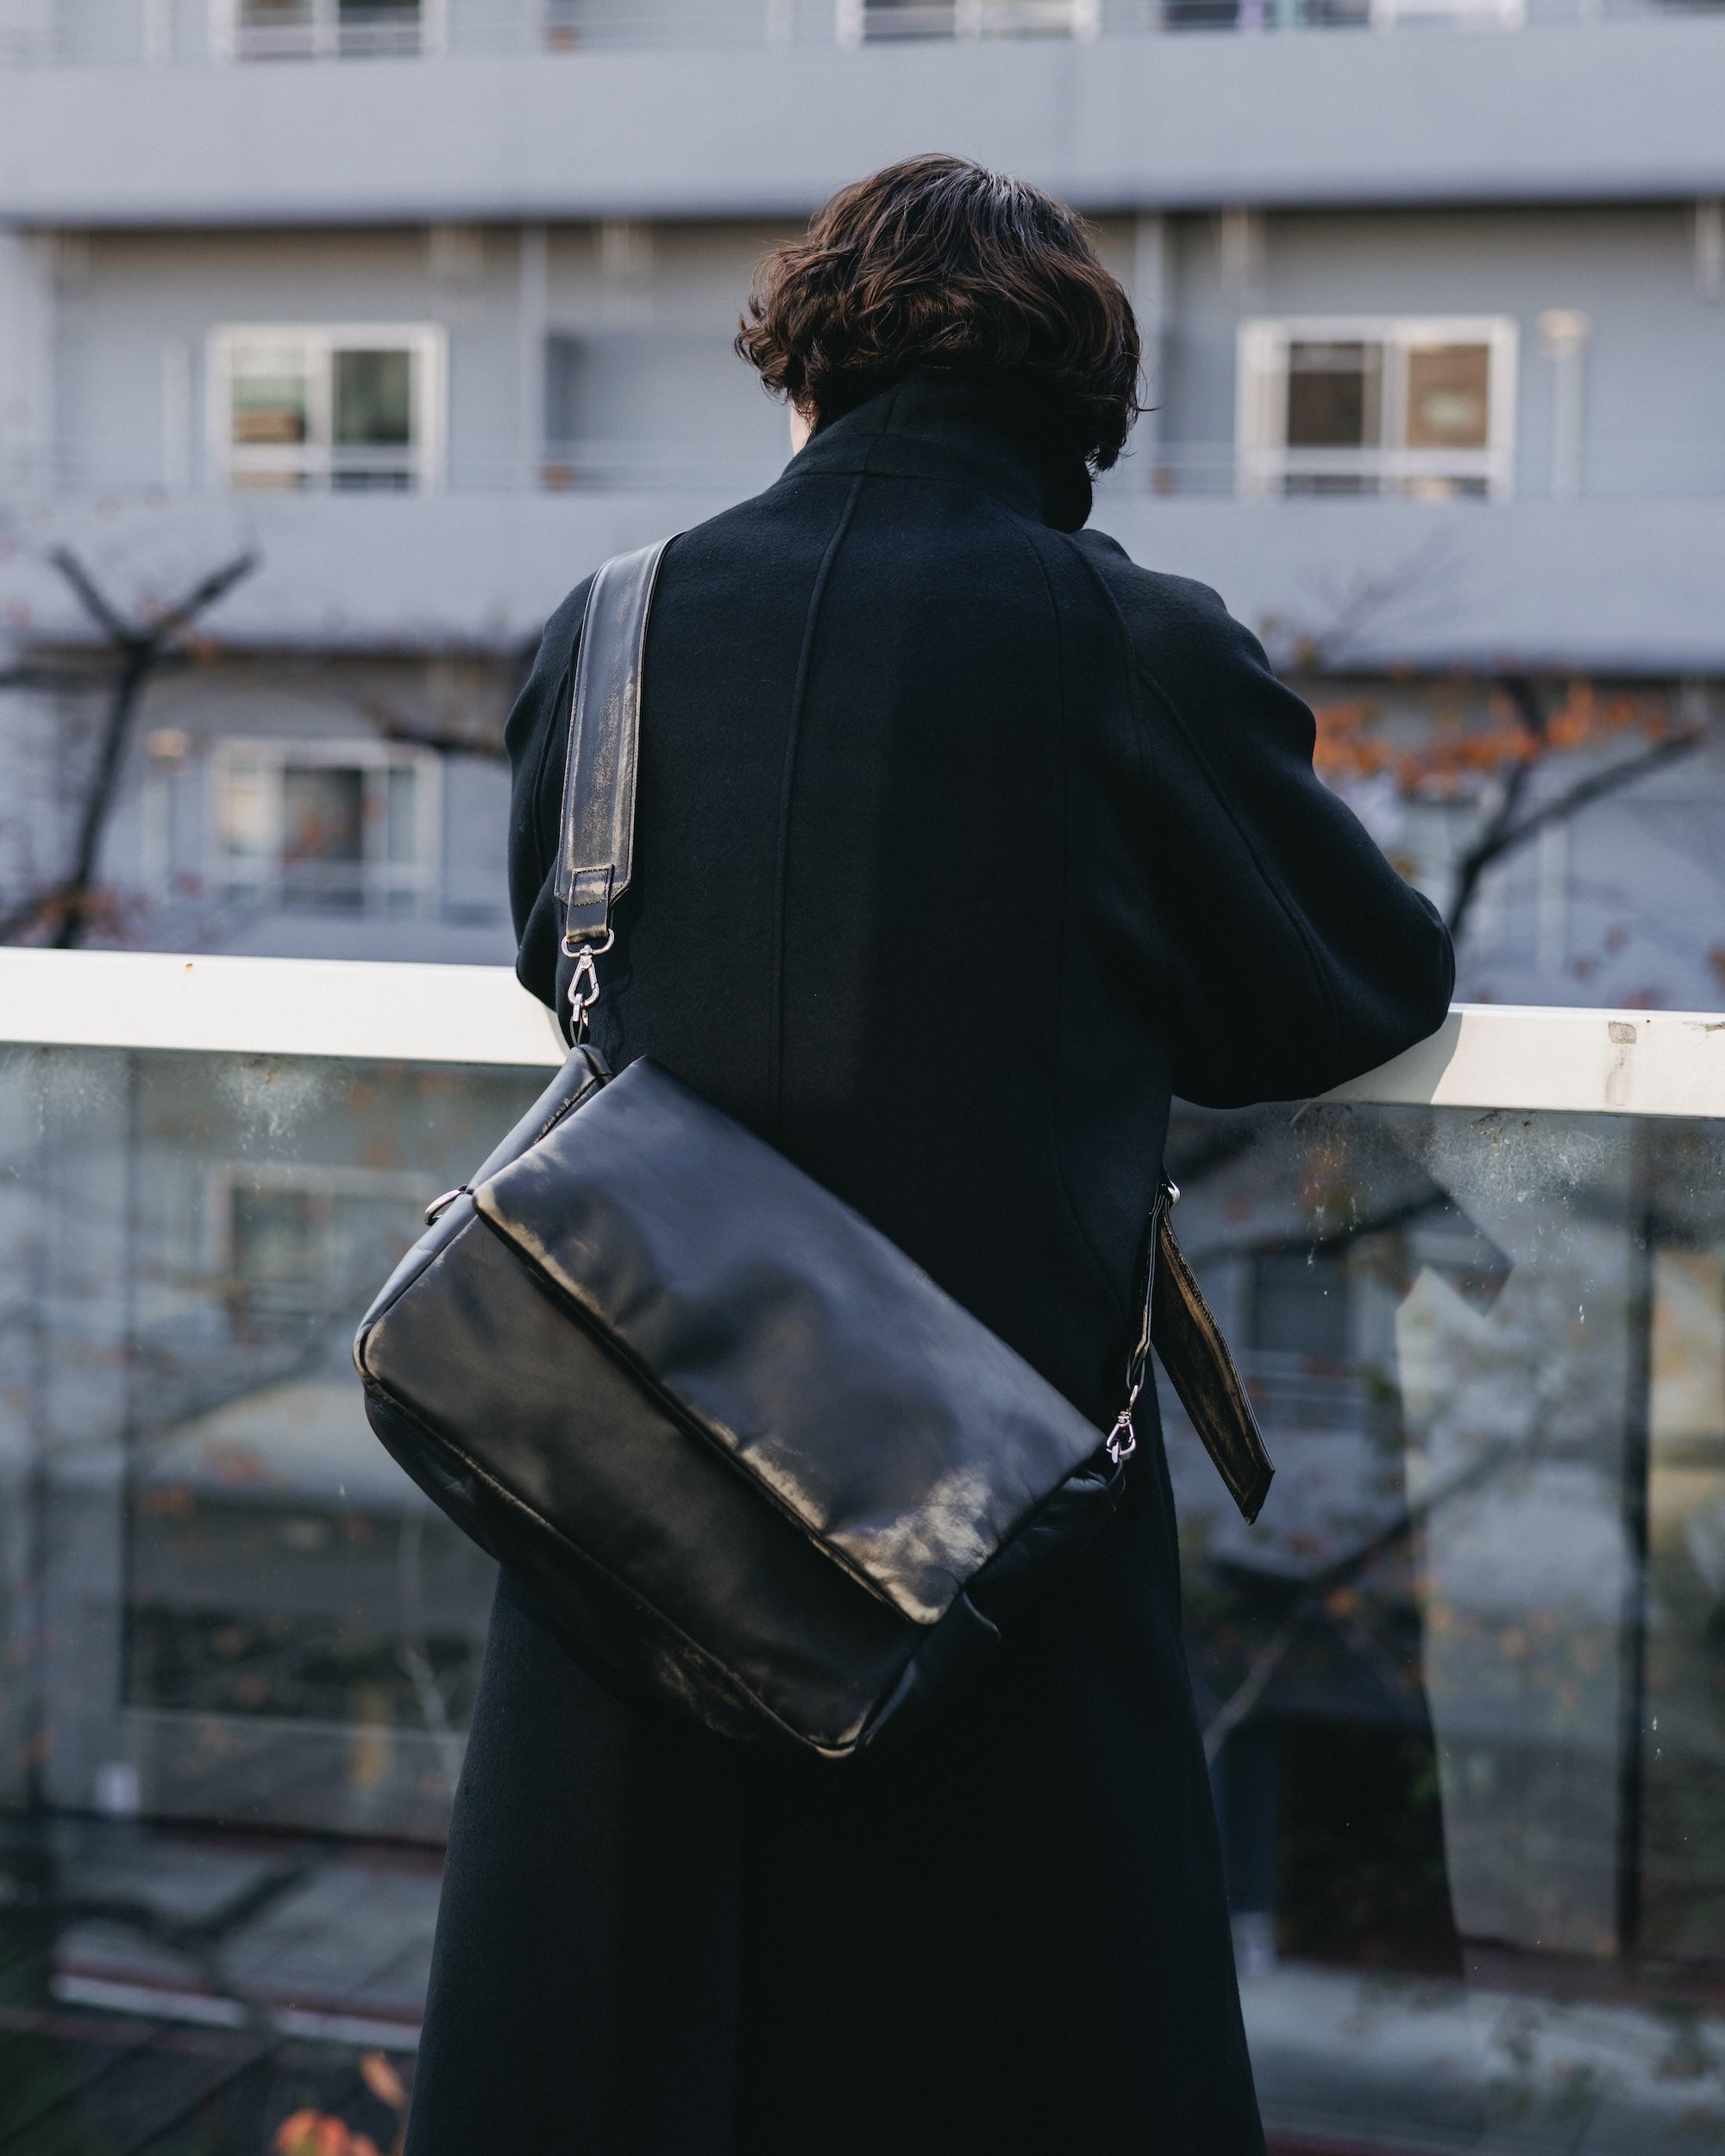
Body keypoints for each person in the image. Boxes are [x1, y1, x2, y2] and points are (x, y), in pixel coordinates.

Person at [405, 154, 1453, 2156]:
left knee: (617, 2045)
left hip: (633, 1491)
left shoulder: (605, 631)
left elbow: (568, 964)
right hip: (990, 1523)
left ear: (798, 376)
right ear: (1084, 421)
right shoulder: (1125, 636)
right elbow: (1348, 994)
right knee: (1016, 2043)